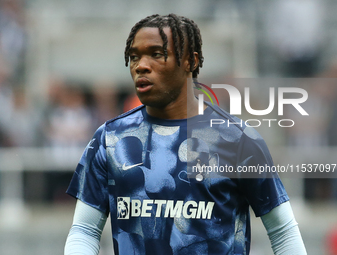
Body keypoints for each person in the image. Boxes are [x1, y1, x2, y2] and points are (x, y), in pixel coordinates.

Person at [64, 14, 307, 255]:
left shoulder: (238, 140)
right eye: (134, 57)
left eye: (156, 54)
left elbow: (283, 231)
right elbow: (85, 230)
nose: (141, 65)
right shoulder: (110, 138)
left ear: (191, 61)